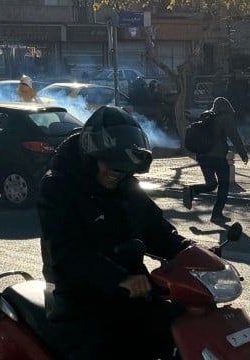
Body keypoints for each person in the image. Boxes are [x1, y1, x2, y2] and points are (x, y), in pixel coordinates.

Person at [38, 106, 192, 359]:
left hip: (132, 292)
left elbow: (156, 229)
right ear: (91, 155)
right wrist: (117, 278)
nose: (115, 173)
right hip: (79, 298)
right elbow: (66, 251)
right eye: (109, 164)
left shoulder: (126, 185)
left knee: (178, 325)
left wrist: (190, 250)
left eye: (123, 168)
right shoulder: (58, 186)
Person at [183, 96, 250, 223]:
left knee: (211, 184)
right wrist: (243, 154)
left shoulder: (206, 116)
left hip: (202, 156)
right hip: (217, 157)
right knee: (223, 185)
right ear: (228, 106)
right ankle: (216, 214)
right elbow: (234, 136)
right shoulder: (225, 118)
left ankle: (192, 190)